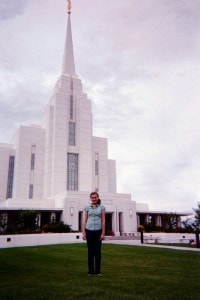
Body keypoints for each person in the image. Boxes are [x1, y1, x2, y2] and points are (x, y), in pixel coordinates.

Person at [82, 192, 106, 275]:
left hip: (98, 231)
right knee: (90, 251)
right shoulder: (87, 207)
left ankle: (98, 271)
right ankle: (90, 271)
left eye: (95, 197)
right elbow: (85, 220)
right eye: (92, 197)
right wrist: (83, 233)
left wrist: (103, 233)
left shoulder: (102, 207)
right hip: (89, 230)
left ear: (98, 197)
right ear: (90, 198)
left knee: (98, 251)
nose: (94, 199)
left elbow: (103, 221)